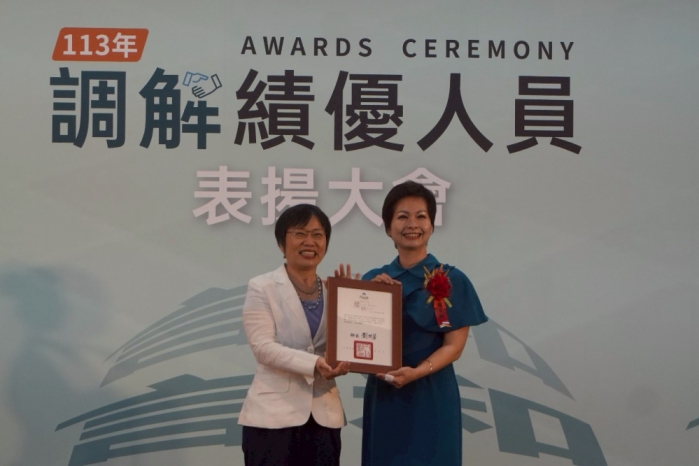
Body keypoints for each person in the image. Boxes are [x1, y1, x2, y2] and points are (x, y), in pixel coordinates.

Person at [358, 181, 488, 466]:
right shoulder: (373, 280)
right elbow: (359, 345)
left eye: (421, 216)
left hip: (432, 394)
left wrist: (417, 372)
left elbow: (454, 347)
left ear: (431, 225)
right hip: (385, 395)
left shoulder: (453, 279)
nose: (412, 224)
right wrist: (369, 299)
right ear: (388, 227)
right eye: (402, 217)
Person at [238, 204, 351, 466]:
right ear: (281, 242)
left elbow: (348, 345)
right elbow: (262, 348)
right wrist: (315, 363)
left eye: (318, 235)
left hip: (324, 418)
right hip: (272, 418)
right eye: (300, 234)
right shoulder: (262, 286)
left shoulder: (335, 292)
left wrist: (358, 300)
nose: (310, 242)